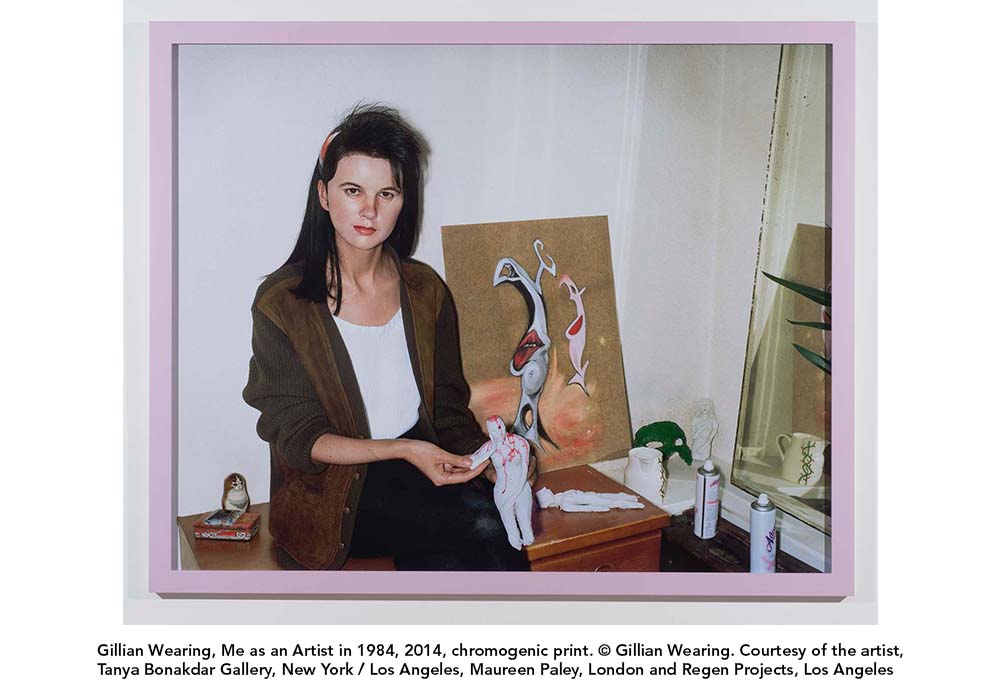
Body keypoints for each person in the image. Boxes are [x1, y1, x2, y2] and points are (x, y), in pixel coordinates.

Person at [243, 105, 530, 571]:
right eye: (353, 190)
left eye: (387, 193)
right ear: (323, 194)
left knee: (462, 553)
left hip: (417, 474)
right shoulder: (282, 304)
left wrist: (494, 461)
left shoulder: (425, 290)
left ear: (404, 199)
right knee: (482, 527)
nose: (370, 210)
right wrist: (404, 450)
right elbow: (299, 435)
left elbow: (448, 412)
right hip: (331, 493)